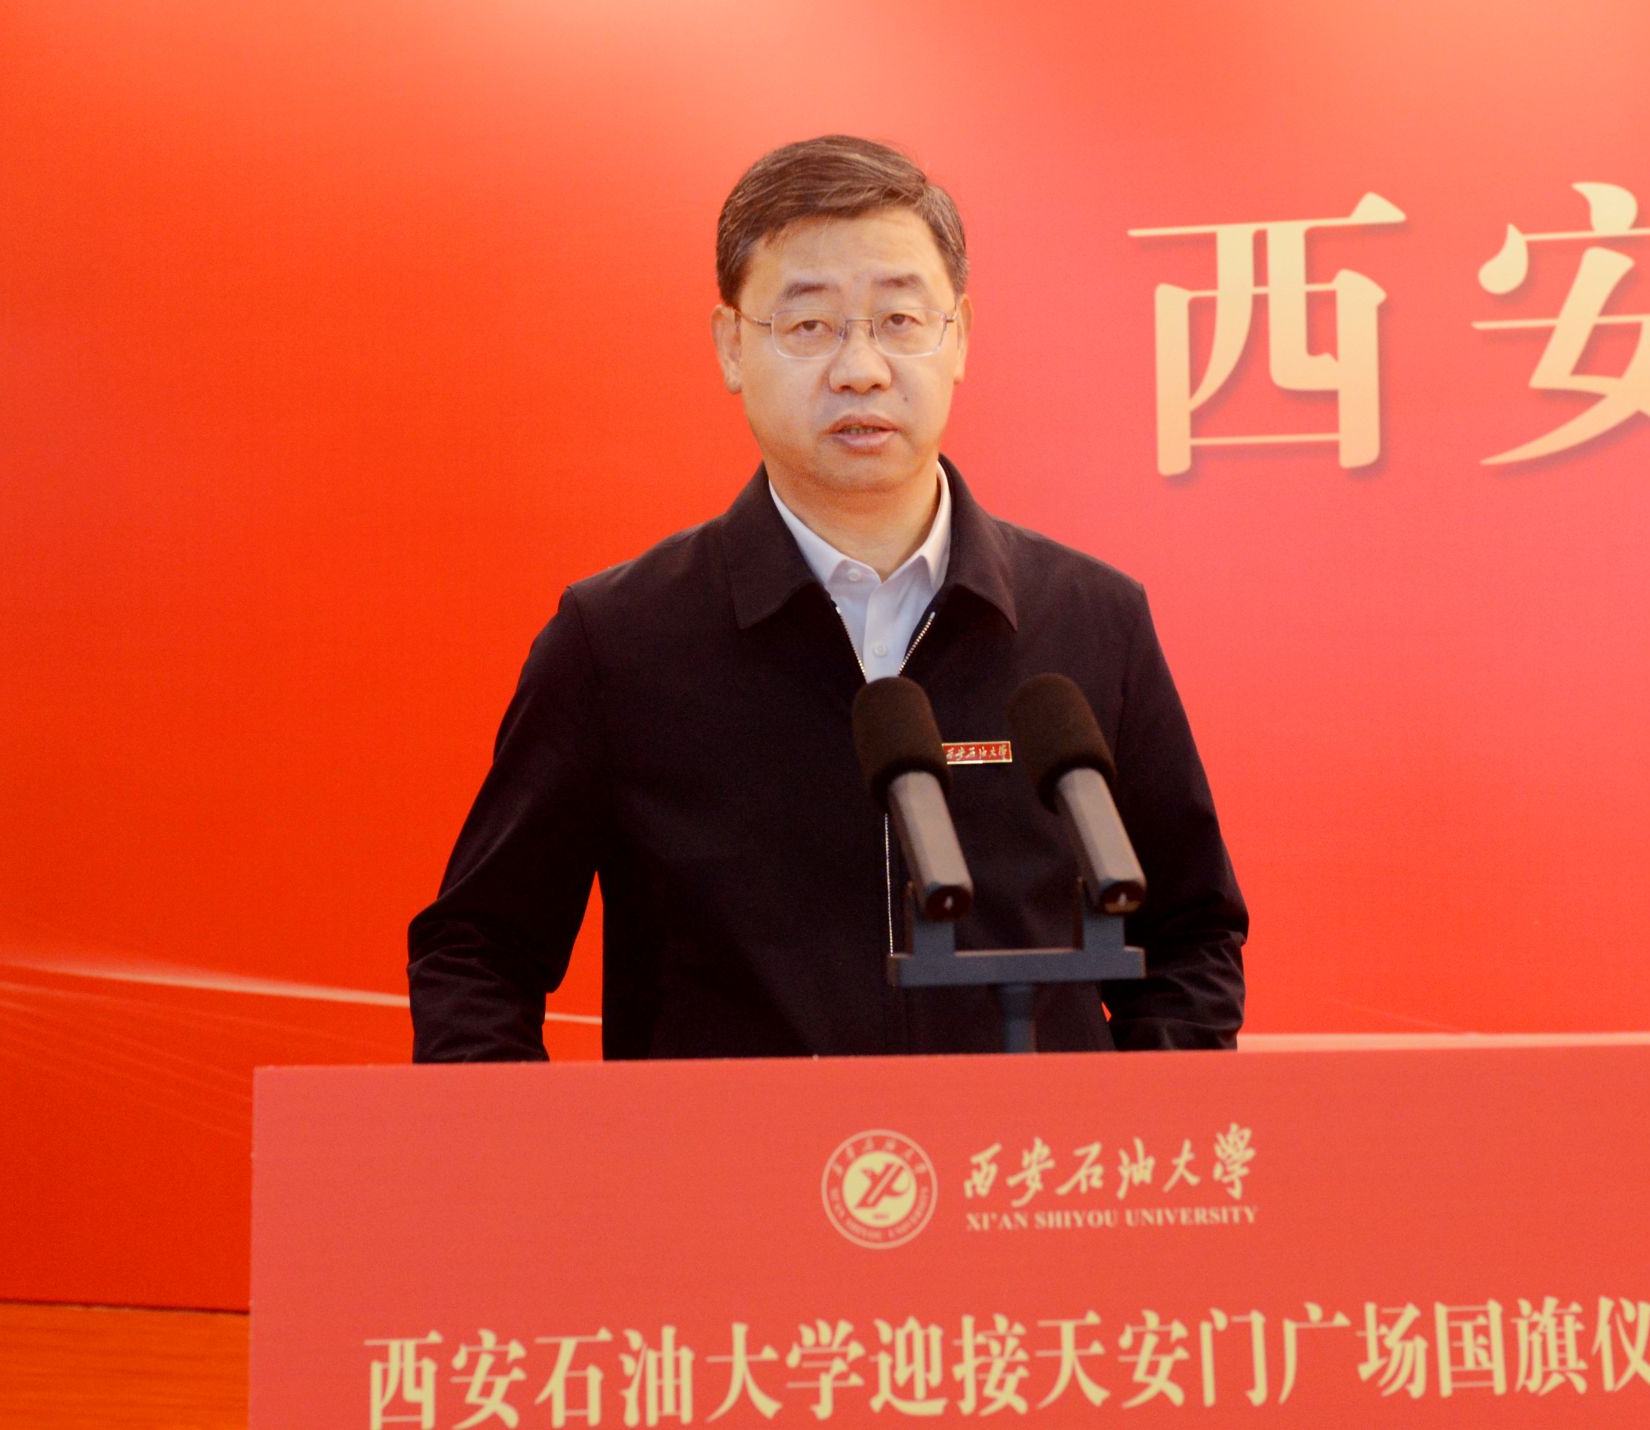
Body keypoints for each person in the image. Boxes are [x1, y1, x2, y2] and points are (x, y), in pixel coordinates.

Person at [408, 135, 1245, 1061]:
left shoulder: (1091, 621)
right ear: (732, 346)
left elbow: (1191, 937)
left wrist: (1129, 1132)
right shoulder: (617, 641)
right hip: (728, 1158)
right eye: (809, 325)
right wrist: (546, 1151)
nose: (861, 369)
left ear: (960, 337)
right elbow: (478, 954)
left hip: (1027, 1156)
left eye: (899, 319)